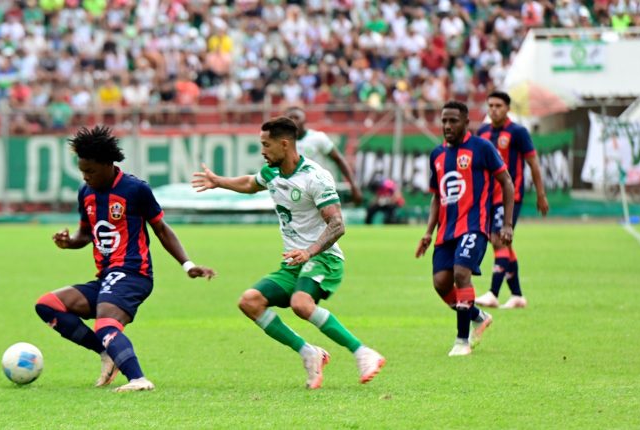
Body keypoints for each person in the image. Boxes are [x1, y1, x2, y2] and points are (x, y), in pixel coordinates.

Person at [191, 117, 385, 389]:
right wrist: (218, 181)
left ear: (284, 144)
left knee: (301, 304)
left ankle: (363, 352)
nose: (262, 151)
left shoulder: (315, 177)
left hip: (324, 258)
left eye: (266, 145)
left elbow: (338, 224)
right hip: (294, 262)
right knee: (250, 302)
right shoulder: (272, 172)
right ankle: (309, 352)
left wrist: (310, 251)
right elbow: (250, 184)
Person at [35, 126, 215, 392]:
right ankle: (108, 352)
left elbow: (162, 229)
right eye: (82, 171)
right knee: (47, 305)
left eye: (91, 171)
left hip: (133, 274)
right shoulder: (86, 193)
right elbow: (85, 234)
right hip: (107, 277)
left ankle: (138, 379)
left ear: (108, 164)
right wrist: (68, 242)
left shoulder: (135, 189)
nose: (86, 177)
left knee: (106, 323)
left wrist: (187, 264)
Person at [415, 101, 515, 357]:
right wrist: (428, 232)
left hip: (474, 226)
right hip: (446, 230)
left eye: (453, 121)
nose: (447, 126)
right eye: (444, 121)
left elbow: (506, 182)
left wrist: (506, 223)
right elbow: (437, 196)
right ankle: (478, 317)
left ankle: (462, 341)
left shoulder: (482, 148)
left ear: (466, 122)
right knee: (441, 284)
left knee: (461, 274)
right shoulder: (436, 154)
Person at [475, 91, 549, 309]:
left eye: (498, 105)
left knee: (498, 240)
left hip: (510, 196)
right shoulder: (483, 132)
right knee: (502, 243)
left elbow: (533, 163)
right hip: (488, 197)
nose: (494, 109)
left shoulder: (518, 132)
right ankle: (517, 295)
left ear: (507, 108)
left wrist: (540, 194)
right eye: (491, 105)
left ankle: (493, 292)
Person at [285, 107, 364, 205]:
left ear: (305, 120)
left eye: (296, 117)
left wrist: (353, 185)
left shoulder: (318, 138)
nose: (293, 121)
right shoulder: (283, 143)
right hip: (295, 192)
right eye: (290, 118)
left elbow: (338, 160)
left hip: (318, 189)